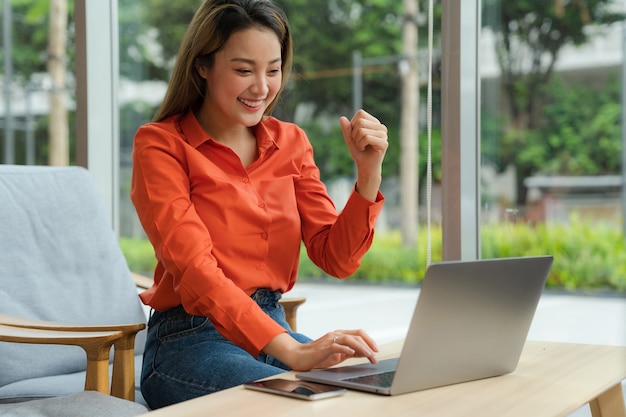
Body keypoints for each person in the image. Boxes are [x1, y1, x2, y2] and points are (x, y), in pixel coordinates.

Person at [130, 0, 388, 409]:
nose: (263, 88)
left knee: (376, 390)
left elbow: (337, 258)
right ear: (202, 65)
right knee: (304, 403)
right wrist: (292, 352)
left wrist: (368, 176)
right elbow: (196, 272)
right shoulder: (160, 145)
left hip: (274, 332)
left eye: (273, 69)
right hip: (189, 342)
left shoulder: (291, 142)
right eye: (244, 70)